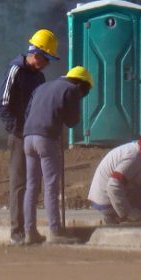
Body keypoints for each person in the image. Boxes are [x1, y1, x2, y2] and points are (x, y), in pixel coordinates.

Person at [0, 28, 58, 245]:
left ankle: (31, 230)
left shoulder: (39, 77)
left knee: (34, 183)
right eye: (46, 58)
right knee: (19, 183)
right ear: (36, 53)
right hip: (20, 135)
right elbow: (2, 105)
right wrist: (18, 130)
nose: (47, 64)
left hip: (35, 135)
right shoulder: (15, 70)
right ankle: (17, 232)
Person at [22, 65, 90, 244]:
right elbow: (72, 121)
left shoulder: (42, 87)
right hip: (47, 138)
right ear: (81, 84)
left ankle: (30, 232)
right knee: (51, 186)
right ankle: (55, 231)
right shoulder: (72, 89)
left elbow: (28, 112)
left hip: (28, 137)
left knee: (31, 186)